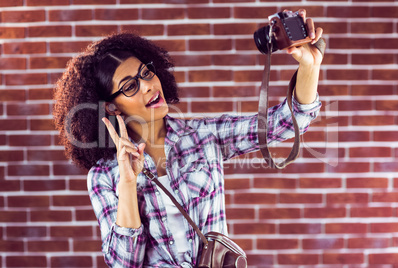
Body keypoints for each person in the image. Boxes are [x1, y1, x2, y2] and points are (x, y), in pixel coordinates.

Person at [53, 9, 323, 268]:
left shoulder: (204, 135)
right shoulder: (103, 176)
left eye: (146, 73)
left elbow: (287, 123)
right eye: (130, 86)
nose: (148, 85)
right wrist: (127, 182)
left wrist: (310, 65)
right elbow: (124, 264)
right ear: (111, 106)